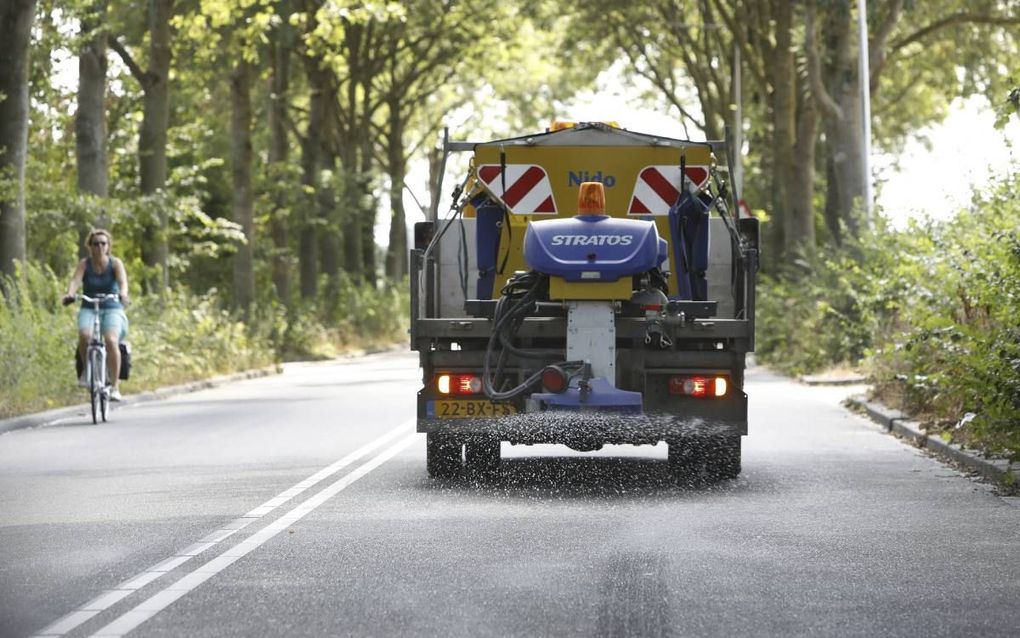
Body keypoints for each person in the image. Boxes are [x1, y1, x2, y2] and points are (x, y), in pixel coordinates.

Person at [63, 229, 130, 401]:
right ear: (90, 246)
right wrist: (71, 293)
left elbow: (123, 282)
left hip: (112, 306)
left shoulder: (115, 263)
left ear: (108, 246)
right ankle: (87, 371)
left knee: (111, 340)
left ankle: (115, 386)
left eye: (103, 243)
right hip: (89, 306)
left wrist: (123, 294)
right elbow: (75, 280)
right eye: (96, 243)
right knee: (85, 335)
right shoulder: (85, 264)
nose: (99, 246)